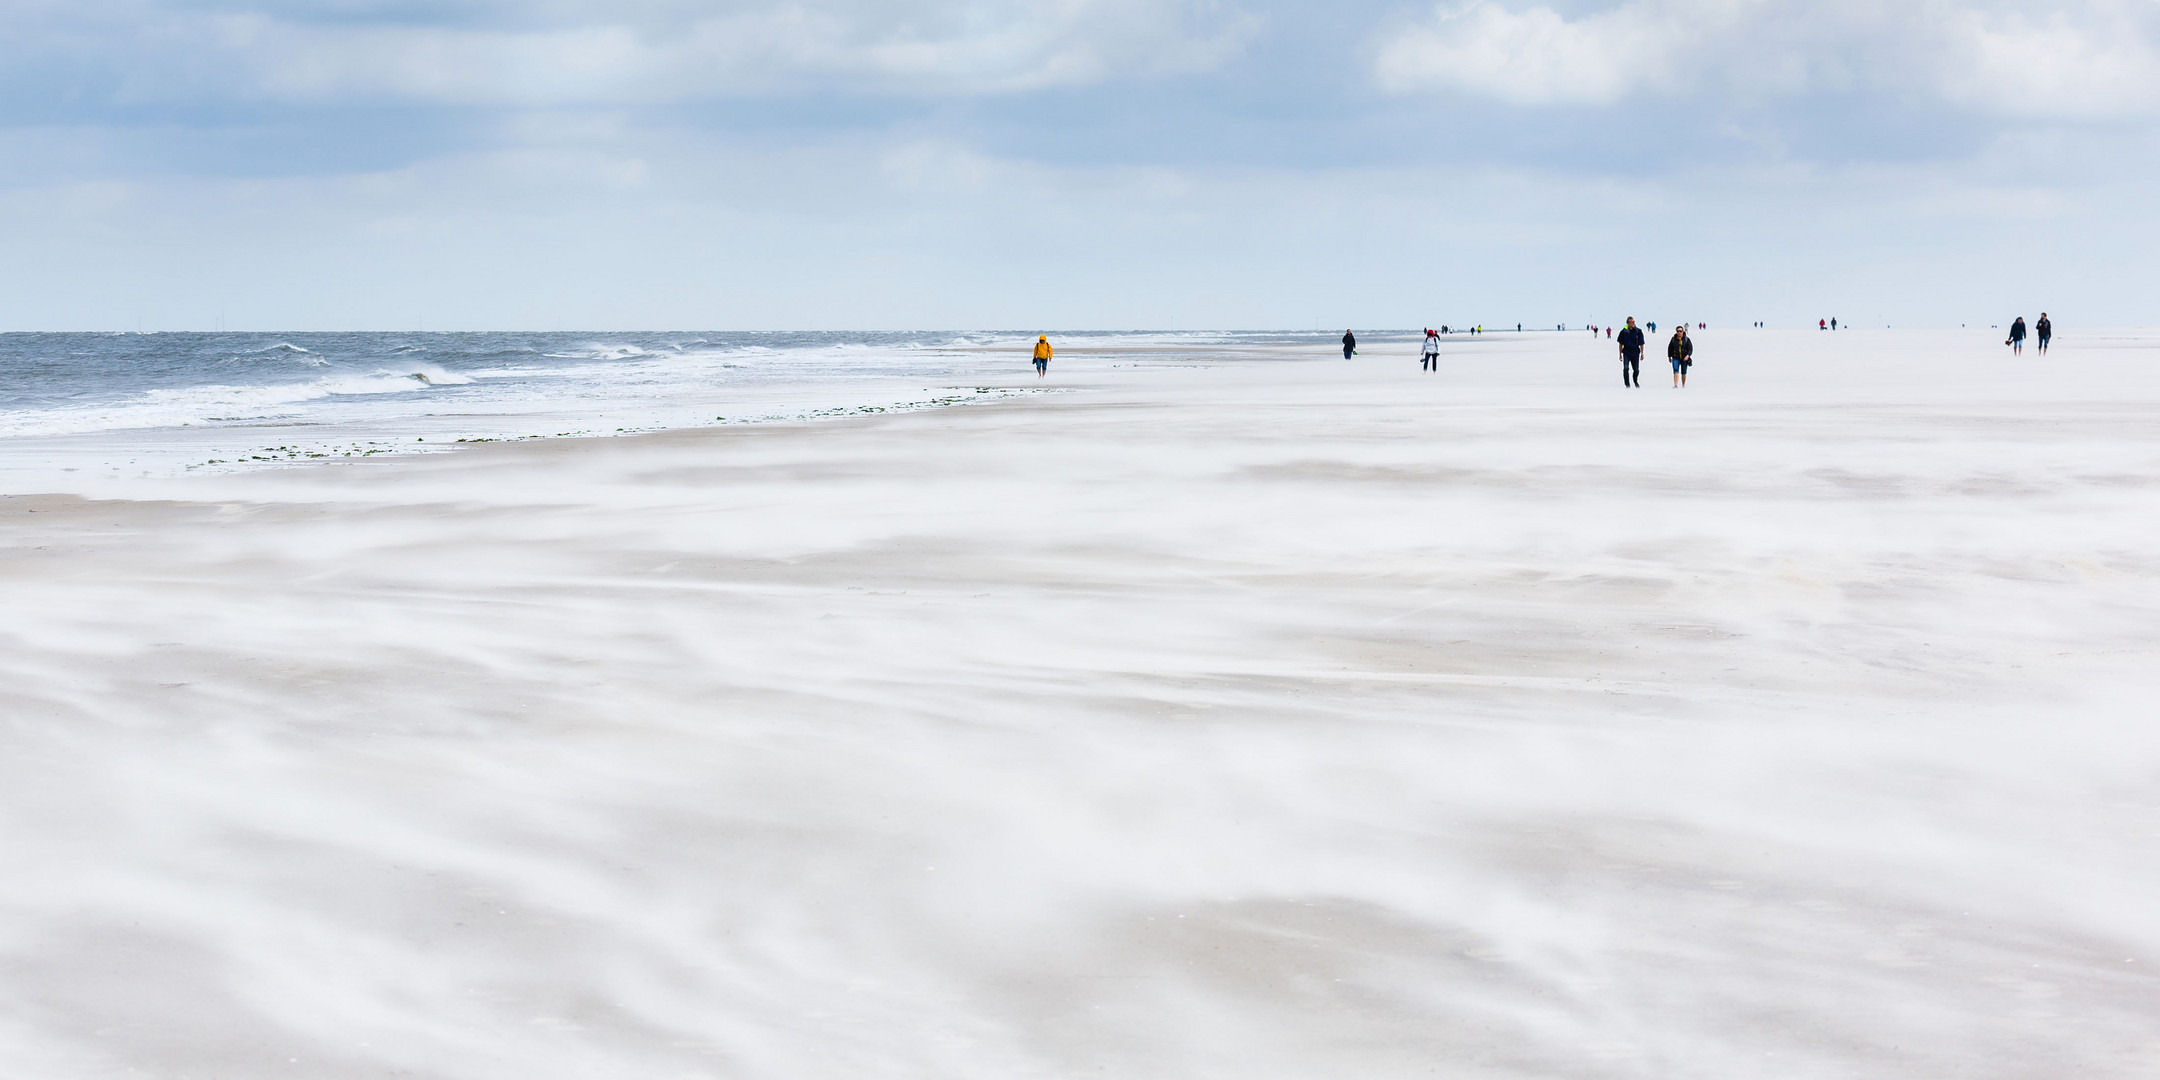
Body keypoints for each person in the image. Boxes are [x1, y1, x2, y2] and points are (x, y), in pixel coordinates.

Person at [1616, 316, 1645, 387]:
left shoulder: (1638, 331)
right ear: (1628, 323)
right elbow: (1620, 344)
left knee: (1636, 370)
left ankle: (1635, 380)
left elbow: (1641, 343)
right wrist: (1620, 354)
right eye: (1632, 322)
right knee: (1626, 368)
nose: (1633, 323)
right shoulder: (1623, 331)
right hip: (1626, 352)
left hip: (1635, 352)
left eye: (1634, 322)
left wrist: (1642, 353)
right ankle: (1627, 384)